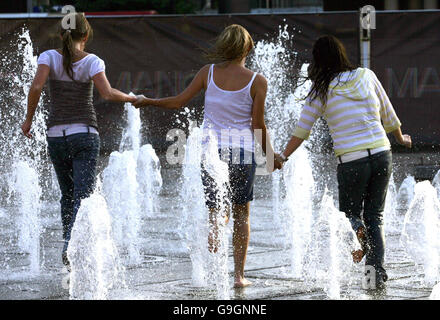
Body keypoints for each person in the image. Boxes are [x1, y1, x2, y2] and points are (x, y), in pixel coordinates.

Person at [134, 24, 282, 288]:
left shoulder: (208, 73)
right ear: (248, 48)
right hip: (242, 153)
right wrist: (271, 158)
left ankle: (215, 255)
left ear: (224, 45)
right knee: (242, 215)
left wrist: (148, 101)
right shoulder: (257, 81)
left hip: (212, 153)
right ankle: (238, 276)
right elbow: (258, 125)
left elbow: (179, 101)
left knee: (216, 212)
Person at [277, 35, 412, 289]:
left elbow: (302, 130)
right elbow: (388, 113)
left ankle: (357, 232)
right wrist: (401, 138)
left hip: (351, 160)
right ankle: (374, 277)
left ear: (318, 61)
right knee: (376, 216)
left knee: (350, 213)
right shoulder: (366, 75)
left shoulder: (320, 89)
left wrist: (283, 157)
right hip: (382, 152)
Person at [21, 13, 137, 270]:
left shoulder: (48, 57)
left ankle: (68, 242)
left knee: (68, 195)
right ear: (85, 36)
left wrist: (28, 119)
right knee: (84, 196)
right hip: (84, 134)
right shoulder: (92, 61)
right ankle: (73, 245)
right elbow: (107, 93)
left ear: (61, 34)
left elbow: (37, 87)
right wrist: (131, 98)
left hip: (56, 136)